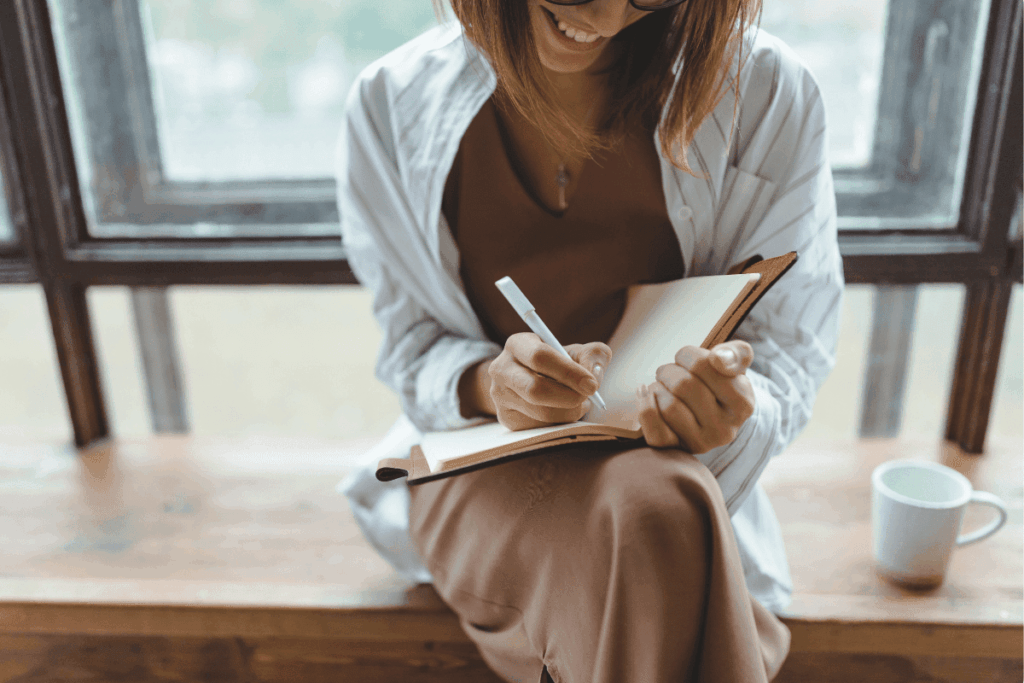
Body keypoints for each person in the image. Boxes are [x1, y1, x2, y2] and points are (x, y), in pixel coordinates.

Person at [336, 0, 843, 680]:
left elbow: (788, 348)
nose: (605, 19)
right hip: (479, 467)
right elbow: (412, 343)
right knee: (661, 520)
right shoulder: (388, 106)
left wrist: (728, 408)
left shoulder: (768, 95)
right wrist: (491, 383)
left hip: (676, 474)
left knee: (654, 503)